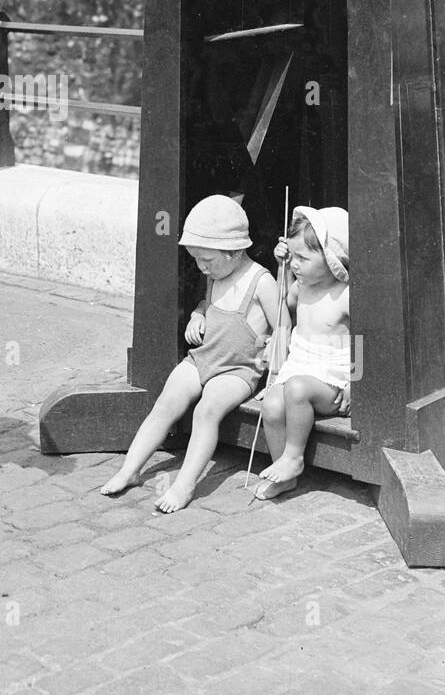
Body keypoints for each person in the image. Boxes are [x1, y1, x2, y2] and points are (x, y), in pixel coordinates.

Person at [100, 195, 283, 511]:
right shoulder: (215, 275)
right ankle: (129, 470)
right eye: (197, 260)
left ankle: (184, 486)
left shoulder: (261, 281)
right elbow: (208, 304)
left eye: (207, 261)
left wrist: (274, 348)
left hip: (237, 370)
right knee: (165, 403)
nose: (202, 268)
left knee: (206, 410)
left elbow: (284, 325)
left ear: (235, 251)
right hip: (203, 357)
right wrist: (198, 315)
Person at [255, 206, 351, 501]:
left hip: (330, 382)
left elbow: (364, 338)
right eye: (292, 256)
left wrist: (356, 383)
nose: (296, 265)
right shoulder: (302, 285)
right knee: (272, 405)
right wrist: (281, 266)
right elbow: (283, 298)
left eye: (303, 259)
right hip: (299, 367)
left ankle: (294, 459)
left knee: (295, 390)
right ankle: (281, 469)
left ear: (331, 260)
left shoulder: (345, 295)